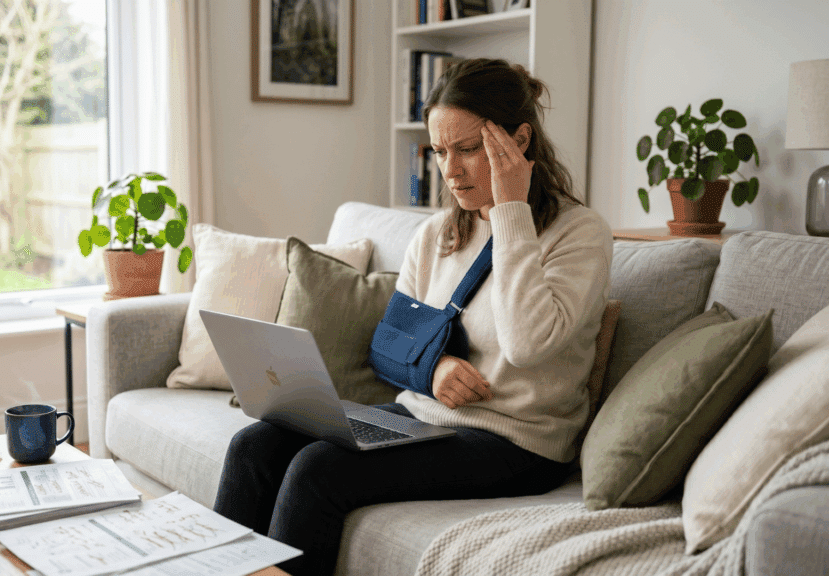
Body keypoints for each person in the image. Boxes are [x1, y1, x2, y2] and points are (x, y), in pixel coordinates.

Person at [212, 58, 613, 576]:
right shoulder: (439, 234)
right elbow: (388, 345)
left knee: (319, 470)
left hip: (517, 442)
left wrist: (510, 210)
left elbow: (528, 344)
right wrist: (435, 368)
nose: (451, 171)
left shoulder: (578, 234)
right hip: (424, 418)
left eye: (469, 149)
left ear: (519, 140)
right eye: (441, 152)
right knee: (255, 444)